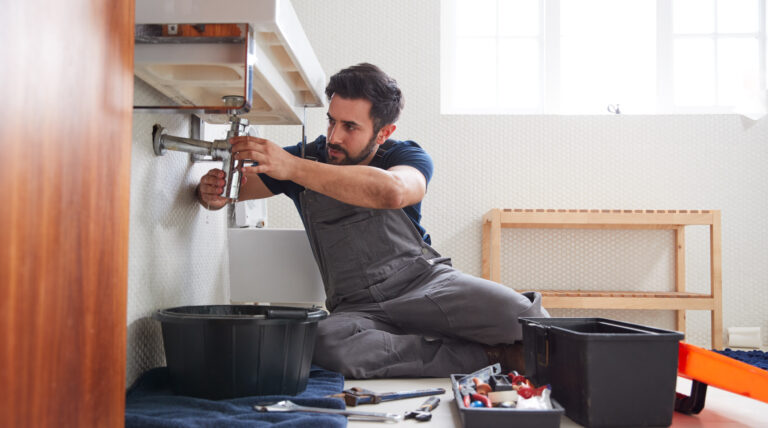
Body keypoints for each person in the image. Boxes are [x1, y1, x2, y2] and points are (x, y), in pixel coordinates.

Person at [196, 63, 549, 378]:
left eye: (350, 126)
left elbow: (394, 191)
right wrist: (211, 192)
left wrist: (294, 168)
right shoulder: (309, 156)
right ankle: (489, 355)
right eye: (331, 121)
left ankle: (436, 341)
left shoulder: (405, 155)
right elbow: (235, 190)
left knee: (527, 320)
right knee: (322, 343)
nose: (334, 137)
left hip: (424, 284)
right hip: (356, 306)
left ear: (384, 132)